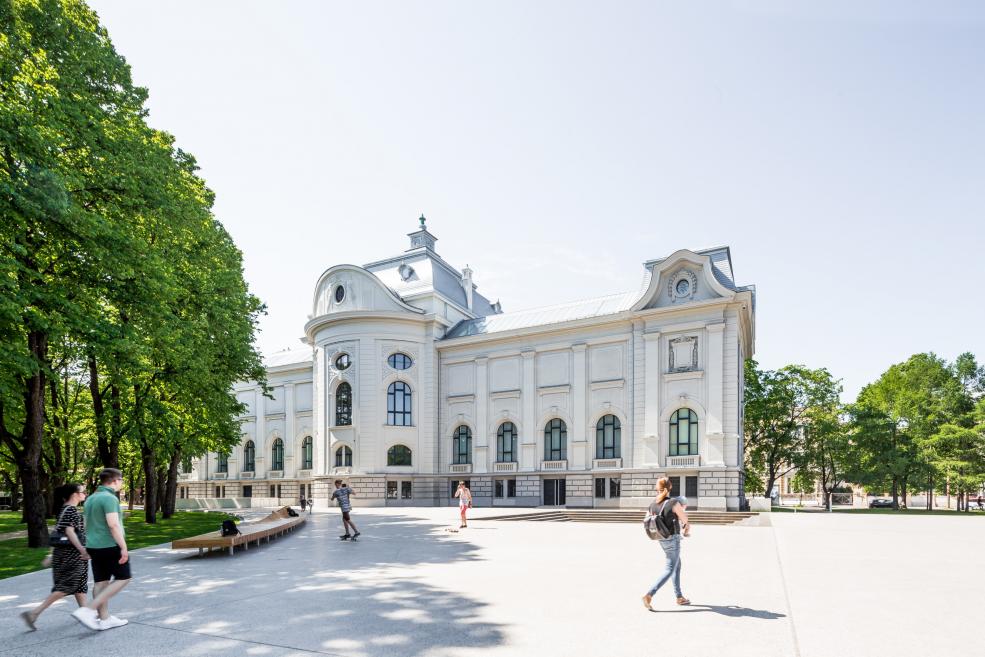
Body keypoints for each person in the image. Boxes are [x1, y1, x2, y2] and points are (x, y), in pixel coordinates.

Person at [20, 483, 90, 630]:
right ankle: (34, 613)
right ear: (75, 494)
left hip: (68, 554)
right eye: (83, 491)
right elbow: (69, 533)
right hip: (71, 555)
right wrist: (82, 550)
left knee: (79, 586)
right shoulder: (70, 509)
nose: (85, 493)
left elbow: (59, 533)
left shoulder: (66, 509)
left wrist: (51, 554)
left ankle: (87, 614)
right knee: (66, 586)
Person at [71, 468, 131, 631]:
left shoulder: (91, 498)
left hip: (94, 546)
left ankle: (104, 619)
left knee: (101, 582)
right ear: (114, 481)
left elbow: (85, 523)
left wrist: (86, 546)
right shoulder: (109, 498)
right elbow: (112, 524)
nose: (121, 483)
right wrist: (124, 547)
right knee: (124, 577)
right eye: (121, 480)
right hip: (110, 545)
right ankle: (88, 610)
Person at [642, 477, 691, 611]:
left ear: (657, 489)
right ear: (670, 488)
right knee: (670, 568)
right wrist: (687, 529)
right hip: (672, 539)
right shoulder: (673, 502)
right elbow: (685, 520)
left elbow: (646, 519)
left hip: (660, 538)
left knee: (676, 564)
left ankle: (679, 597)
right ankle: (649, 594)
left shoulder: (653, 504)